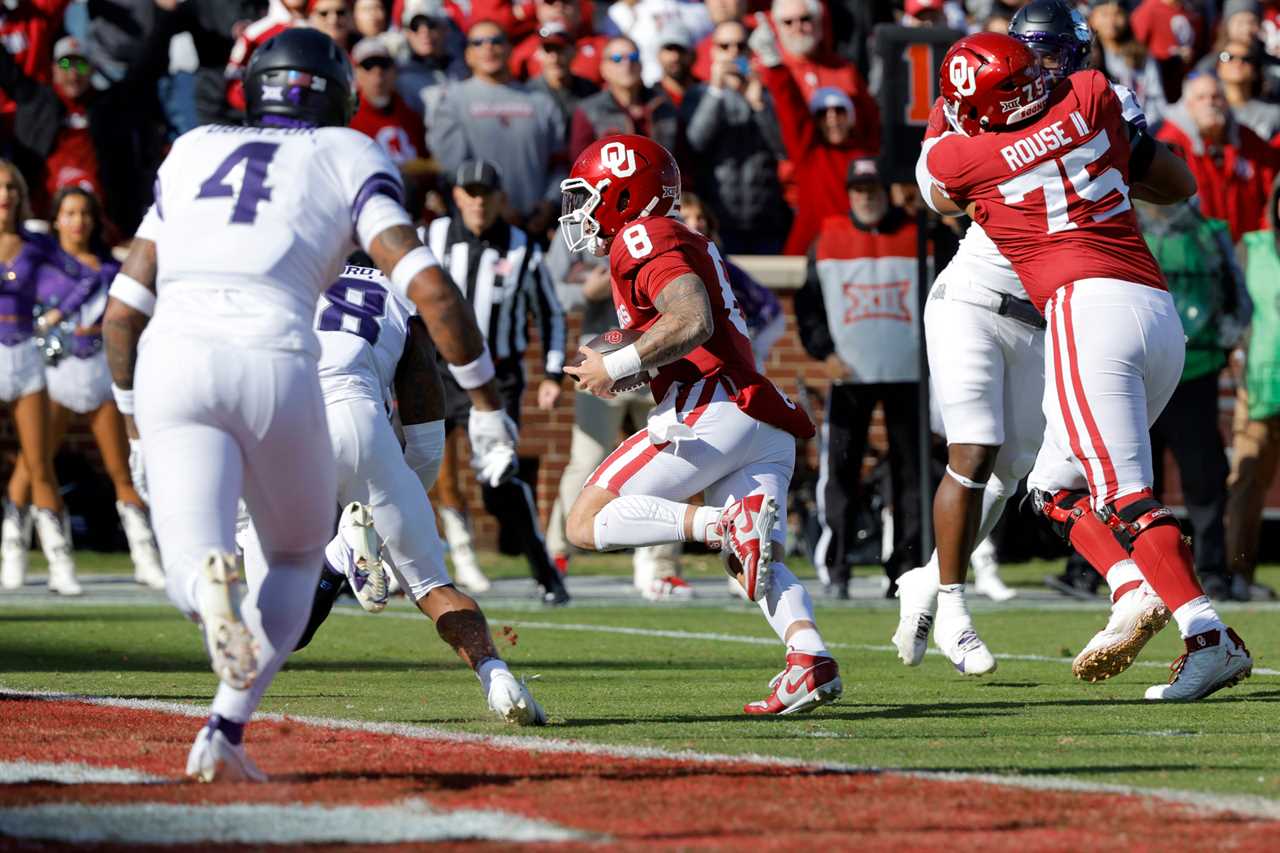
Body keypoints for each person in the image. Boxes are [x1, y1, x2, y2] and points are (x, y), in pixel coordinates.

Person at [101, 28, 520, 781]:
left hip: (172, 360)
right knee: (296, 558)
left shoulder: (191, 147)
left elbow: (123, 310)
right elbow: (430, 292)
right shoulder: (347, 153)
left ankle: (214, 638)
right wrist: (487, 403)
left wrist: (134, 419)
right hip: (278, 363)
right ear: (338, 93)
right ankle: (235, 709)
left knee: (195, 562)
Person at [925, 32, 1251, 700]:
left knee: (1123, 494)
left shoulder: (967, 156)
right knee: (1053, 485)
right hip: (1154, 309)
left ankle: (1207, 634)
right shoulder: (1092, 92)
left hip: (1083, 309)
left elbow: (935, 178)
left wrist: (957, 102)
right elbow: (1166, 175)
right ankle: (1131, 586)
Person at [560, 134, 842, 715]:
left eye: (588, 196)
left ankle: (723, 523)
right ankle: (809, 659)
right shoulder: (680, 236)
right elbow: (693, 332)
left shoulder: (642, 235)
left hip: (710, 409)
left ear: (622, 194)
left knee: (584, 522)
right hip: (758, 417)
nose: (580, 211)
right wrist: (638, 370)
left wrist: (616, 364)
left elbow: (691, 317)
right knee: (756, 563)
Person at [273, 262, 546, 725]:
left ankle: (339, 556)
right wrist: (399, 507)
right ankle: (497, 678)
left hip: (276, 416)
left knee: (279, 625)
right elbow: (423, 419)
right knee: (432, 586)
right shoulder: (397, 290)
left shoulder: (278, 271)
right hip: (357, 418)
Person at [422, 160, 570, 605]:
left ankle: (544, 572)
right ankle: (428, 563)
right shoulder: (433, 238)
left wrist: (552, 371)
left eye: (486, 193)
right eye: (470, 192)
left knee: (498, 480)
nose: (478, 202)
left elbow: (550, 312)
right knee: (413, 467)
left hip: (495, 376)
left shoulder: (523, 246)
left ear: (500, 199)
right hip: (435, 369)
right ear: (457, 197)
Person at [7, 186, 165, 592]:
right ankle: (15, 554)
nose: (78, 222)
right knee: (32, 466)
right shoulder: (40, 261)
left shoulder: (111, 269)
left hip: (97, 375)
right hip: (52, 376)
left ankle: (145, 557)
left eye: (85, 214)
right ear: (56, 219)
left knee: (122, 468)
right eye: (70, 213)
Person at [795, 157, 923, 601]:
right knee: (841, 469)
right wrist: (823, 353)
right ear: (848, 192)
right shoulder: (826, 239)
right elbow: (808, 306)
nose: (865, 196)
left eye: (872, 187)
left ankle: (907, 569)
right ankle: (837, 564)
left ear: (885, 190)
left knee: (913, 474)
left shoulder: (918, 233)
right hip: (849, 377)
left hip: (911, 377)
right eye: (858, 188)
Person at [541, 230, 688, 600]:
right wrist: (586, 292)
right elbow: (547, 290)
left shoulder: (660, 229)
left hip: (657, 356)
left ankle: (662, 566)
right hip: (600, 358)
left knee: (670, 462)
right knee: (587, 459)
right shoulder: (577, 231)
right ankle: (557, 552)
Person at [1140, 199, 1251, 600]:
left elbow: (1237, 296)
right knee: (1130, 479)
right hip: (1141, 372)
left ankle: (1211, 571)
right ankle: (1121, 572)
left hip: (1197, 371)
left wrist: (1224, 341)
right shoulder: (1122, 225)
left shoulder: (1209, 233)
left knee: (1204, 480)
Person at [0, 161, 85, 597]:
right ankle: (12, 549)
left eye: (11, 187)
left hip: (24, 356)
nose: (6, 195)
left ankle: (56, 561)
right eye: (0, 188)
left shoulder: (35, 242)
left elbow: (86, 278)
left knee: (38, 463)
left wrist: (55, 314)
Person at [427, 19, 567, 240]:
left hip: (536, 227)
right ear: (467, 54)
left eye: (496, 41)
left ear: (510, 49)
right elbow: (452, 167)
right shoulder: (452, 100)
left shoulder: (541, 102)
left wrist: (549, 203)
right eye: (478, 43)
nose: (488, 48)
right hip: (479, 227)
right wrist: (495, 205)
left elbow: (560, 163)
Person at [753, 21, 878, 256]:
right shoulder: (809, 152)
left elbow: (872, 112)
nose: (832, 119)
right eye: (823, 114)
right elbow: (792, 109)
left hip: (858, 251)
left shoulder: (867, 150)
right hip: (813, 251)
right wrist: (774, 65)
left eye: (839, 112)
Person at [684, 20, 791, 254]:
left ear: (749, 51)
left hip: (765, 221)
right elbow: (695, 144)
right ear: (712, 51)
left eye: (740, 46)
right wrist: (716, 91)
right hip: (718, 220)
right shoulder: (698, 94)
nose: (733, 53)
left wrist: (759, 105)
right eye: (725, 46)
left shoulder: (767, 95)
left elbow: (784, 149)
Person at [1226, 173, 1280, 602]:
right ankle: (1237, 573)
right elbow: (1234, 308)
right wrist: (1236, 357)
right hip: (1258, 385)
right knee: (1247, 483)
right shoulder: (1252, 248)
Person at [1156, 73, 1276, 243]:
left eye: (1216, 96)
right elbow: (1162, 211)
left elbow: (1272, 196)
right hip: (1197, 251)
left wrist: (1263, 240)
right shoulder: (1170, 147)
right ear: (1189, 105)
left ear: (1227, 103)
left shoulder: (1249, 141)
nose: (1209, 102)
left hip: (1249, 248)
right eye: (1201, 98)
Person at [679, 193, 784, 371]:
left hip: (745, 338)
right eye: (686, 218)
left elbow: (769, 305)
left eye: (700, 217)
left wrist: (751, 330)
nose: (695, 223)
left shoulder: (720, 265)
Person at [567, 36, 680, 162]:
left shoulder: (663, 106)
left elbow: (684, 161)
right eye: (617, 59)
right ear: (603, 68)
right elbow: (580, 165)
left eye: (633, 57)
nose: (627, 64)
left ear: (641, 65)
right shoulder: (588, 111)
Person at [349, 37, 428, 165]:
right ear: (356, 73)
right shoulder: (348, 122)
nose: (377, 72)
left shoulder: (411, 116)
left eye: (383, 64)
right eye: (368, 66)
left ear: (394, 71)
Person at [1088, 0, 1168, 128]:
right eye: (1104, 14)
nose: (1111, 21)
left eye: (1117, 14)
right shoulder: (1088, 57)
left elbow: (1157, 99)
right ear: (1092, 18)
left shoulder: (1141, 55)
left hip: (1146, 126)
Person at [395, 0, 465, 121]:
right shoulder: (399, 80)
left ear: (445, 28)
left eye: (431, 24)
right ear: (407, 33)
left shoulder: (465, 69)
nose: (424, 33)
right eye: (415, 26)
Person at [509, 0, 608, 85]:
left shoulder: (604, 47)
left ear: (578, 8)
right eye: (550, 1)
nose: (559, 7)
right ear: (537, 7)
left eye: (566, 1)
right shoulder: (522, 52)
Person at [526, 22, 600, 126]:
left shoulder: (590, 91)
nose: (554, 59)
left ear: (574, 51)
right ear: (538, 54)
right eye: (548, 50)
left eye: (560, 50)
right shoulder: (528, 94)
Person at [1215, 41, 1280, 141]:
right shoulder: (1208, 108)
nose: (1238, 63)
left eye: (1246, 59)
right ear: (1218, 67)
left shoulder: (1274, 113)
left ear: (1255, 70)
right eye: (1228, 57)